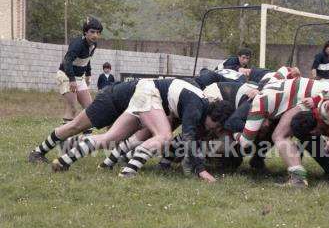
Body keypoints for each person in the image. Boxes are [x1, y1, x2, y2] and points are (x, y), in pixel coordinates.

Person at [50, 78, 234, 182]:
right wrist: (202, 171)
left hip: (144, 91)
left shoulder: (199, 102)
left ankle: (65, 160)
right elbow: (188, 138)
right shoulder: (196, 107)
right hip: (148, 93)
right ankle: (128, 172)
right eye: (216, 125)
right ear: (213, 115)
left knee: (109, 138)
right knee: (164, 136)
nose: (213, 129)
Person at [234, 77, 329, 188]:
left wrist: (234, 134)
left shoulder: (258, 105)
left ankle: (299, 179)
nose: (265, 126)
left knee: (279, 136)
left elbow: (245, 142)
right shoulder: (269, 86)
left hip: (315, 100)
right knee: (308, 134)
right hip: (321, 97)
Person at [55, 17, 102, 125]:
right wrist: (71, 80)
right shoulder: (78, 44)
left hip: (79, 78)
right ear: (85, 32)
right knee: (72, 108)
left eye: (98, 32)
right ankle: (64, 138)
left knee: (90, 109)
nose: (95, 35)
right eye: (92, 32)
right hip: (66, 76)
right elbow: (67, 61)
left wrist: (88, 74)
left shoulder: (94, 44)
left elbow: (87, 60)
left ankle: (87, 137)